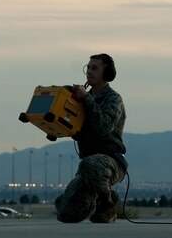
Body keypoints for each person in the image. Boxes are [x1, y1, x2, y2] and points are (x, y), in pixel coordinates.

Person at [54, 53, 127, 223]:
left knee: (90, 164)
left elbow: (103, 127)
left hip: (111, 162)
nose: (89, 71)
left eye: (95, 68)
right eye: (88, 67)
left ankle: (107, 204)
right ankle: (97, 196)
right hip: (89, 167)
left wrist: (86, 98)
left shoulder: (113, 99)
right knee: (66, 214)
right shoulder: (83, 100)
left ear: (106, 74)